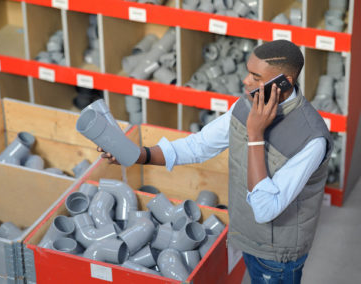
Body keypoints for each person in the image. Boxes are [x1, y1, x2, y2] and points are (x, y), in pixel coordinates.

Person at [98, 40, 333, 283]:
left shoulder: (310, 140)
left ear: (284, 82)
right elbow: (199, 145)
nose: (245, 81)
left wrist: (255, 135)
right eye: (247, 72)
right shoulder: (246, 105)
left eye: (256, 76)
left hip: (276, 256)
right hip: (246, 235)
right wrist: (141, 154)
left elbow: (265, 209)